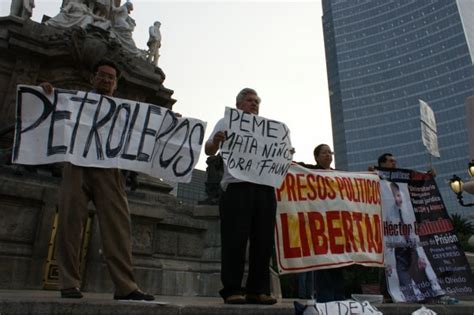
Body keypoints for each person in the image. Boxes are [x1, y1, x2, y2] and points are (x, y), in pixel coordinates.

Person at [40, 59, 154, 301]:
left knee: (119, 228)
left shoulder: (124, 110)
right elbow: (51, 114)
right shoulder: (75, 101)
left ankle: (126, 286)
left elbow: (145, 131)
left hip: (109, 169)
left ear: (115, 84)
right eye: (102, 75)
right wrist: (48, 94)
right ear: (93, 78)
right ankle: (69, 283)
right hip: (77, 165)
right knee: (70, 223)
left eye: (111, 77)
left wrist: (164, 122)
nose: (106, 80)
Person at [205, 88, 277, 305]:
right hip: (237, 187)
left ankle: (258, 290)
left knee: (263, 241)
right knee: (235, 240)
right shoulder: (226, 122)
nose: (254, 104)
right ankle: (232, 289)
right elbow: (209, 150)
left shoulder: (268, 129)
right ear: (238, 104)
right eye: (249, 100)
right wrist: (217, 141)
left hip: (264, 188)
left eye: (256, 101)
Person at [297, 144, 346, 302]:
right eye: (324, 153)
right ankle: (326, 299)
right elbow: (296, 168)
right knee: (323, 264)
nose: (328, 155)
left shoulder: (338, 175)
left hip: (336, 226)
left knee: (338, 263)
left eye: (330, 152)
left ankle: (339, 297)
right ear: (316, 157)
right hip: (319, 226)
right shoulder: (310, 171)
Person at [384, 182, 444, 301]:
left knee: (420, 274)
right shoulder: (390, 213)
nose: (396, 198)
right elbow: (388, 235)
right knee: (403, 277)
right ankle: (410, 298)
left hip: (412, 248)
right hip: (399, 249)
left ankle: (430, 295)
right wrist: (387, 259)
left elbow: (414, 231)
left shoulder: (408, 211)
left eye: (398, 195)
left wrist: (419, 252)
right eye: (393, 195)